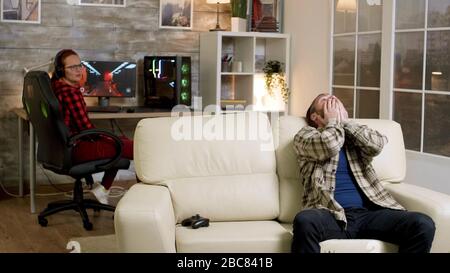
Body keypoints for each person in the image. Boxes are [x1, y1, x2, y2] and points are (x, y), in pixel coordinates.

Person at [291, 93, 436, 253]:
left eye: (334, 98)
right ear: (315, 116)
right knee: (304, 221)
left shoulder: (353, 136)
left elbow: (377, 144)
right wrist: (333, 122)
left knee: (423, 224)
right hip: (330, 215)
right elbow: (329, 146)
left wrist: (345, 122)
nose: (332, 99)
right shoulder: (305, 136)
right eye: (325, 101)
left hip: (368, 215)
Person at [51, 49, 133, 205]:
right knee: (138, 147)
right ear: (61, 70)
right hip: (77, 148)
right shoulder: (70, 93)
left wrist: (111, 138)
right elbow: (86, 129)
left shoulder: (55, 86)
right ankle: (145, 198)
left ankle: (103, 190)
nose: (78, 70)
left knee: (120, 140)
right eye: (72, 67)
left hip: (63, 149)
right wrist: (109, 138)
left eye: (80, 66)